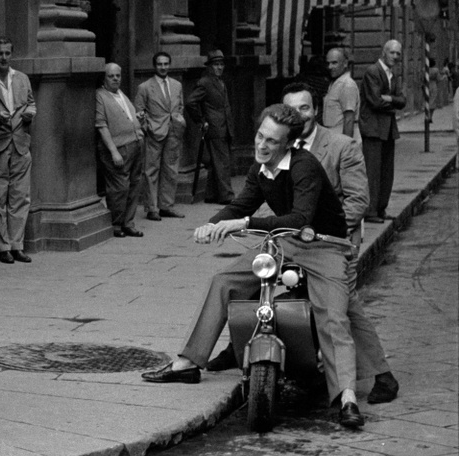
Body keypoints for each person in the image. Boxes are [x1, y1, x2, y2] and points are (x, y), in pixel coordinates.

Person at [142, 104, 367, 430]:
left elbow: (299, 218)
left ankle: (347, 398)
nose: (262, 145)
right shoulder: (260, 169)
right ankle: (188, 362)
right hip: (283, 244)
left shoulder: (305, 167)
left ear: (288, 144)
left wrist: (242, 223)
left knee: (334, 317)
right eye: (260, 136)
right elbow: (241, 203)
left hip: (324, 246)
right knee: (224, 280)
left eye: (272, 141)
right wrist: (212, 224)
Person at [203, 87, 400, 405]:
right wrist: (217, 226)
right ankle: (235, 348)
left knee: (342, 308)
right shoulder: (272, 151)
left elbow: (358, 200)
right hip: (289, 238)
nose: (300, 114)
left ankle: (381, 376)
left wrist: (316, 233)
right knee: (249, 275)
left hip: (331, 240)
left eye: (305, 108)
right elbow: (259, 201)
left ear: (316, 111)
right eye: (292, 108)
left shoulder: (340, 145)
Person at [0, 37, 36, 264]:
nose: (4, 58)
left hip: (21, 143)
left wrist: (31, 113)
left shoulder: (21, 78)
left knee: (20, 196)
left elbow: (31, 102)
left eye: (7, 53)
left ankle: (17, 245)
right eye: (0, 53)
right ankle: (2, 246)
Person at [133, 51, 186, 221]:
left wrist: (179, 121)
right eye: (160, 64)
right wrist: (147, 127)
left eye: (166, 64)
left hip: (173, 131)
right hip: (154, 133)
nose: (163, 67)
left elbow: (180, 106)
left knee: (171, 170)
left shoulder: (177, 85)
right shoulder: (145, 87)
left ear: (169, 65)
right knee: (151, 171)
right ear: (154, 66)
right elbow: (138, 111)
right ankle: (152, 208)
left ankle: (167, 206)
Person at [358, 39, 406, 224]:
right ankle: (370, 212)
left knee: (387, 171)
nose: (395, 56)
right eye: (392, 52)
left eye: (398, 53)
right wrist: (393, 103)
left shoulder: (392, 74)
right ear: (383, 52)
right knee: (373, 171)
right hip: (373, 129)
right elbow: (375, 101)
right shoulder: (373, 71)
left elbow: (403, 101)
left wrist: (390, 99)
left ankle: (380, 208)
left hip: (387, 129)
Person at [95, 63, 145, 238]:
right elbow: (101, 126)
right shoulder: (100, 96)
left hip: (136, 143)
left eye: (118, 75)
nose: (116, 78)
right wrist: (113, 151)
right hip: (118, 148)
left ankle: (128, 223)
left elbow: (125, 115)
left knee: (134, 185)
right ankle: (116, 224)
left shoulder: (121, 93)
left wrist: (137, 119)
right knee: (119, 188)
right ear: (104, 78)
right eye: (111, 76)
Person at [186, 49, 235, 204]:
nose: (219, 67)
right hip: (214, 127)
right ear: (209, 67)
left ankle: (211, 194)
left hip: (223, 126)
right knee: (222, 162)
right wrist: (201, 121)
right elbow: (190, 102)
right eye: (216, 65)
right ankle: (227, 196)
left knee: (215, 163)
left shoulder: (220, 81)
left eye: (221, 64)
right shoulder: (205, 82)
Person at [324, 47, 361, 141]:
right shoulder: (335, 82)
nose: (330, 67)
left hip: (341, 137)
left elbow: (349, 119)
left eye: (334, 63)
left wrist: (346, 147)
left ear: (345, 63)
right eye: (328, 63)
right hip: (333, 137)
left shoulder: (347, 85)